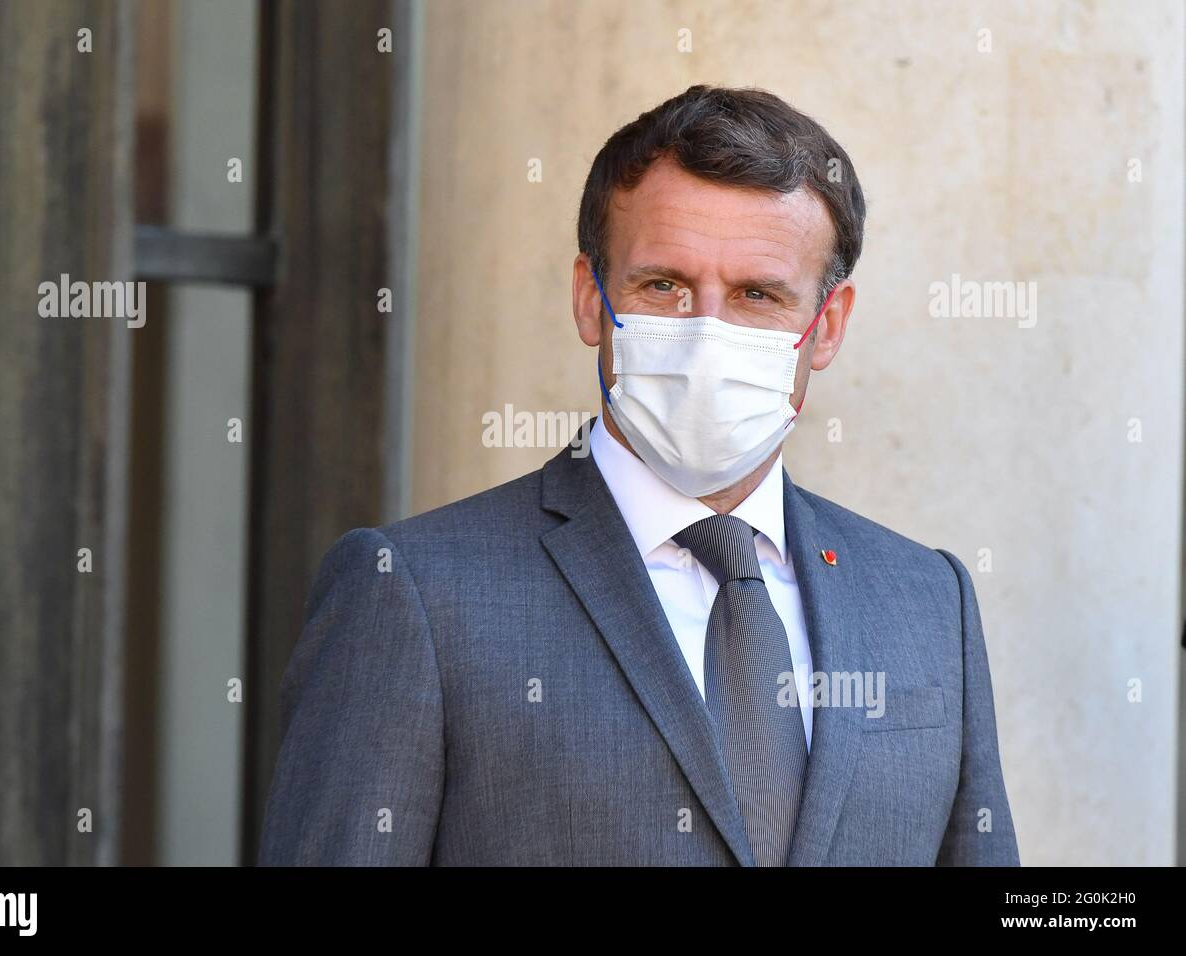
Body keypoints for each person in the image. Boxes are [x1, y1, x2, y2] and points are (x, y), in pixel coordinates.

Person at [258, 84, 1020, 866]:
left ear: (825, 327)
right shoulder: (413, 594)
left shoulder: (928, 601)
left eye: (758, 295)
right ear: (591, 300)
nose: (704, 333)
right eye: (664, 286)